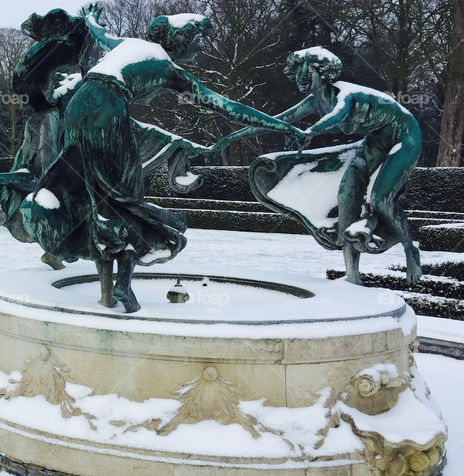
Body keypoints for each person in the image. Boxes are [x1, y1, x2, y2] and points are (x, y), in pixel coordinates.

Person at [19, 6, 305, 312]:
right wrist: (280, 124)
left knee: (101, 197)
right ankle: (123, 279)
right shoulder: (169, 69)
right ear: (180, 43)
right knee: (127, 200)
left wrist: (91, 19)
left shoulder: (130, 46)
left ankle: (108, 288)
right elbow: (224, 105)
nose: (197, 54)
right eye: (196, 46)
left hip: (79, 106)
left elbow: (101, 35)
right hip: (107, 109)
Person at [212, 47, 423, 284]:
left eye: (308, 70)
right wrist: (230, 138)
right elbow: (277, 121)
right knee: (346, 196)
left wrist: (311, 132)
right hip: (377, 140)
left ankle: (409, 250)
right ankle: (353, 274)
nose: (301, 76)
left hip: (405, 137)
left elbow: (338, 115)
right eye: (298, 71)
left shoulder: (346, 95)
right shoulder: (314, 102)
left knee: (380, 199)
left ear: (323, 73)